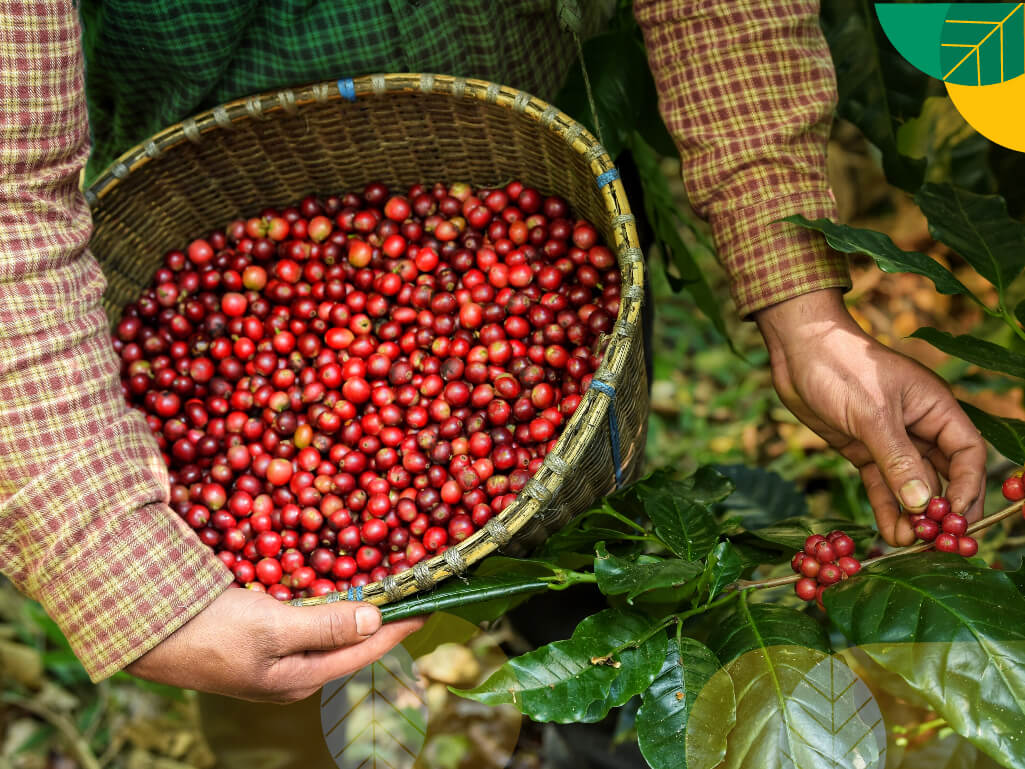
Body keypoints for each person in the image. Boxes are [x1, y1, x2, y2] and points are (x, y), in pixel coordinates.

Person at [1, 0, 986, 702]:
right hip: (202, 143)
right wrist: (120, 568)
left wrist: (801, 306)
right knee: (264, 669)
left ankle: (582, 671)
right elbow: (8, 190)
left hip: (523, 118)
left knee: (581, 535)